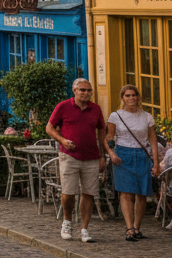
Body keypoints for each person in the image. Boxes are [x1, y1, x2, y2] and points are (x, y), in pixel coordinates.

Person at [46, 78, 106, 243]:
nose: (86, 93)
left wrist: (103, 155)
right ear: (74, 91)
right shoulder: (63, 106)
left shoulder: (96, 109)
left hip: (91, 156)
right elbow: (49, 128)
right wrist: (63, 140)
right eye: (82, 90)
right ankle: (67, 221)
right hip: (69, 155)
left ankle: (84, 229)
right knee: (68, 193)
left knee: (89, 193)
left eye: (88, 90)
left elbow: (102, 132)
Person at [105, 84, 158, 242]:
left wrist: (156, 162)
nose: (131, 98)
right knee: (126, 193)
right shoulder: (115, 116)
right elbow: (110, 137)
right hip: (123, 155)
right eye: (127, 96)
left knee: (142, 193)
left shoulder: (147, 116)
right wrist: (111, 154)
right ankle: (129, 228)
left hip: (142, 155)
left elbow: (152, 140)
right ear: (122, 98)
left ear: (138, 97)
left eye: (133, 95)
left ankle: (137, 227)